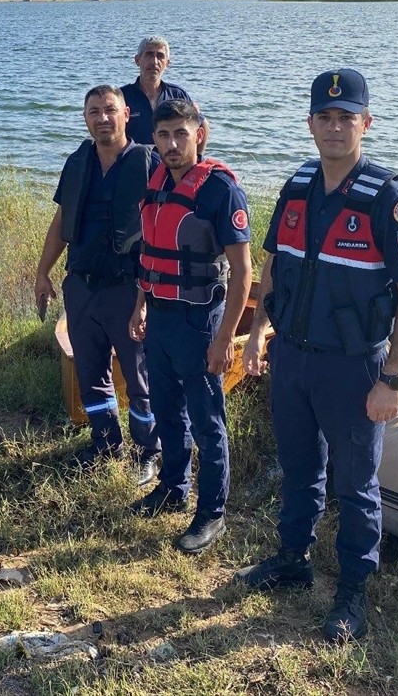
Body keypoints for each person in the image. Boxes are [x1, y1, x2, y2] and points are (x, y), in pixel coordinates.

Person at [233, 68, 398, 642]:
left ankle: (351, 591)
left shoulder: (388, 199)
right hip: (292, 358)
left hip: (354, 368)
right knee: (298, 468)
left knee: (357, 485)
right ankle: (293, 560)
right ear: (311, 124)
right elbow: (274, 268)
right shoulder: (296, 187)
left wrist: (391, 380)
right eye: (326, 116)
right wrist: (256, 332)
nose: (336, 127)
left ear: (366, 123)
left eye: (348, 117)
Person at [128, 100, 252, 554]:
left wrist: (224, 339)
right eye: (163, 135)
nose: (172, 144)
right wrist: (140, 304)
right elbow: (149, 252)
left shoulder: (221, 191)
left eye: (181, 133)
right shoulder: (156, 180)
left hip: (201, 321)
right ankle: (172, 488)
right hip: (160, 315)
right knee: (166, 408)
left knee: (207, 420)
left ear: (200, 133)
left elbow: (242, 271)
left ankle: (211, 513)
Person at [34, 85, 162, 486]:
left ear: (127, 114)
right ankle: (105, 443)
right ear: (85, 117)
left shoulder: (149, 162)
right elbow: (60, 222)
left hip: (129, 288)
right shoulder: (77, 162)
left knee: (140, 375)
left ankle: (149, 451)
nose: (102, 118)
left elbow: (168, 223)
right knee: (90, 371)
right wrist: (43, 272)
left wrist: (150, 293)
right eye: (94, 111)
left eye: (110, 110)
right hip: (82, 286)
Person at [120, 36, 195, 146]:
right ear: (137, 60)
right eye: (149, 55)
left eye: (160, 56)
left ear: (167, 63)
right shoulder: (122, 96)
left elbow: (200, 127)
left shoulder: (178, 95)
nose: (154, 61)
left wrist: (194, 160)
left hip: (169, 161)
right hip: (134, 161)